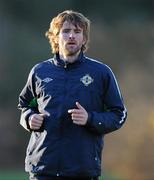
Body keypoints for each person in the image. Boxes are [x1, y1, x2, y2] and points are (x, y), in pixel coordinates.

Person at [18, 10, 127, 180]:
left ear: (84, 38)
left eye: (77, 32)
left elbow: (118, 114)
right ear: (55, 37)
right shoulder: (39, 72)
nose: (71, 36)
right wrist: (28, 118)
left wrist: (90, 119)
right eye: (66, 31)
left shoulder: (101, 73)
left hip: (82, 171)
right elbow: (25, 105)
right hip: (42, 169)